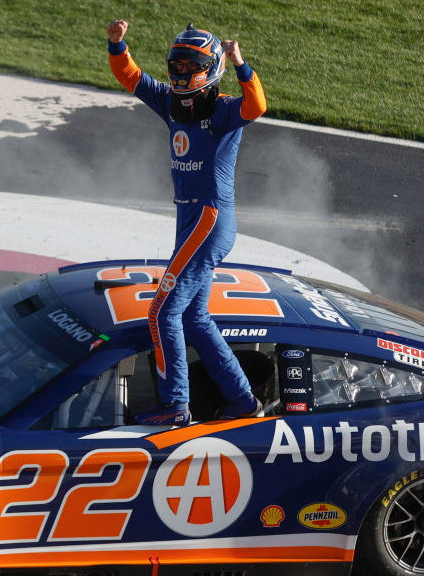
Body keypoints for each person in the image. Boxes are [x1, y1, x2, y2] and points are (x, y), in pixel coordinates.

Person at [107, 20, 267, 426]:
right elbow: (131, 77)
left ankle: (175, 406)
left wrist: (241, 64)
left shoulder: (228, 110)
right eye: (175, 66)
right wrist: (117, 43)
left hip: (209, 221)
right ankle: (243, 401)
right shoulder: (171, 104)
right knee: (194, 318)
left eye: (188, 66)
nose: (178, 74)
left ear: (210, 68)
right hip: (192, 222)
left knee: (161, 313)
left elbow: (258, 106)